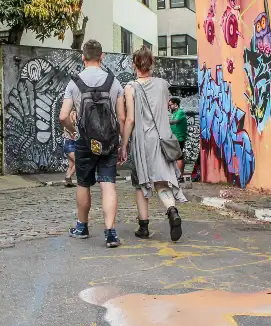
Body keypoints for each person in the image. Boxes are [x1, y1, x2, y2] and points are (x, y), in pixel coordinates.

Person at [59, 40, 126, 248]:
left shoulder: (74, 83)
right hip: (108, 141)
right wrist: (123, 144)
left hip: (84, 141)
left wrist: (73, 130)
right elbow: (122, 117)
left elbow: (63, 116)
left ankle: (82, 227)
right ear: (102, 56)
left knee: (83, 183)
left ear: (83, 57)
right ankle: (111, 233)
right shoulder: (114, 82)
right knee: (108, 185)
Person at [121, 46, 187, 241]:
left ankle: (144, 227)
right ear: (152, 63)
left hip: (143, 141)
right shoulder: (163, 84)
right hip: (163, 139)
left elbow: (131, 120)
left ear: (134, 64)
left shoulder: (130, 88)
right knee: (161, 181)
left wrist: (124, 144)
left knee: (141, 183)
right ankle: (172, 210)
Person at [169, 97, 188, 177]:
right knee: (175, 156)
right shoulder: (174, 113)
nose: (169, 107)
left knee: (179, 157)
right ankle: (176, 175)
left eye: (170, 105)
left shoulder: (180, 112)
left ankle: (180, 176)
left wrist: (164, 122)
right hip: (174, 137)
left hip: (179, 137)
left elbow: (175, 121)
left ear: (176, 105)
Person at [62, 109, 77, 187]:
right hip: (70, 144)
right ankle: (68, 177)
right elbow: (73, 134)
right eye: (73, 114)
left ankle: (68, 182)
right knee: (79, 162)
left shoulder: (68, 124)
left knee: (71, 165)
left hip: (69, 144)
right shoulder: (69, 125)